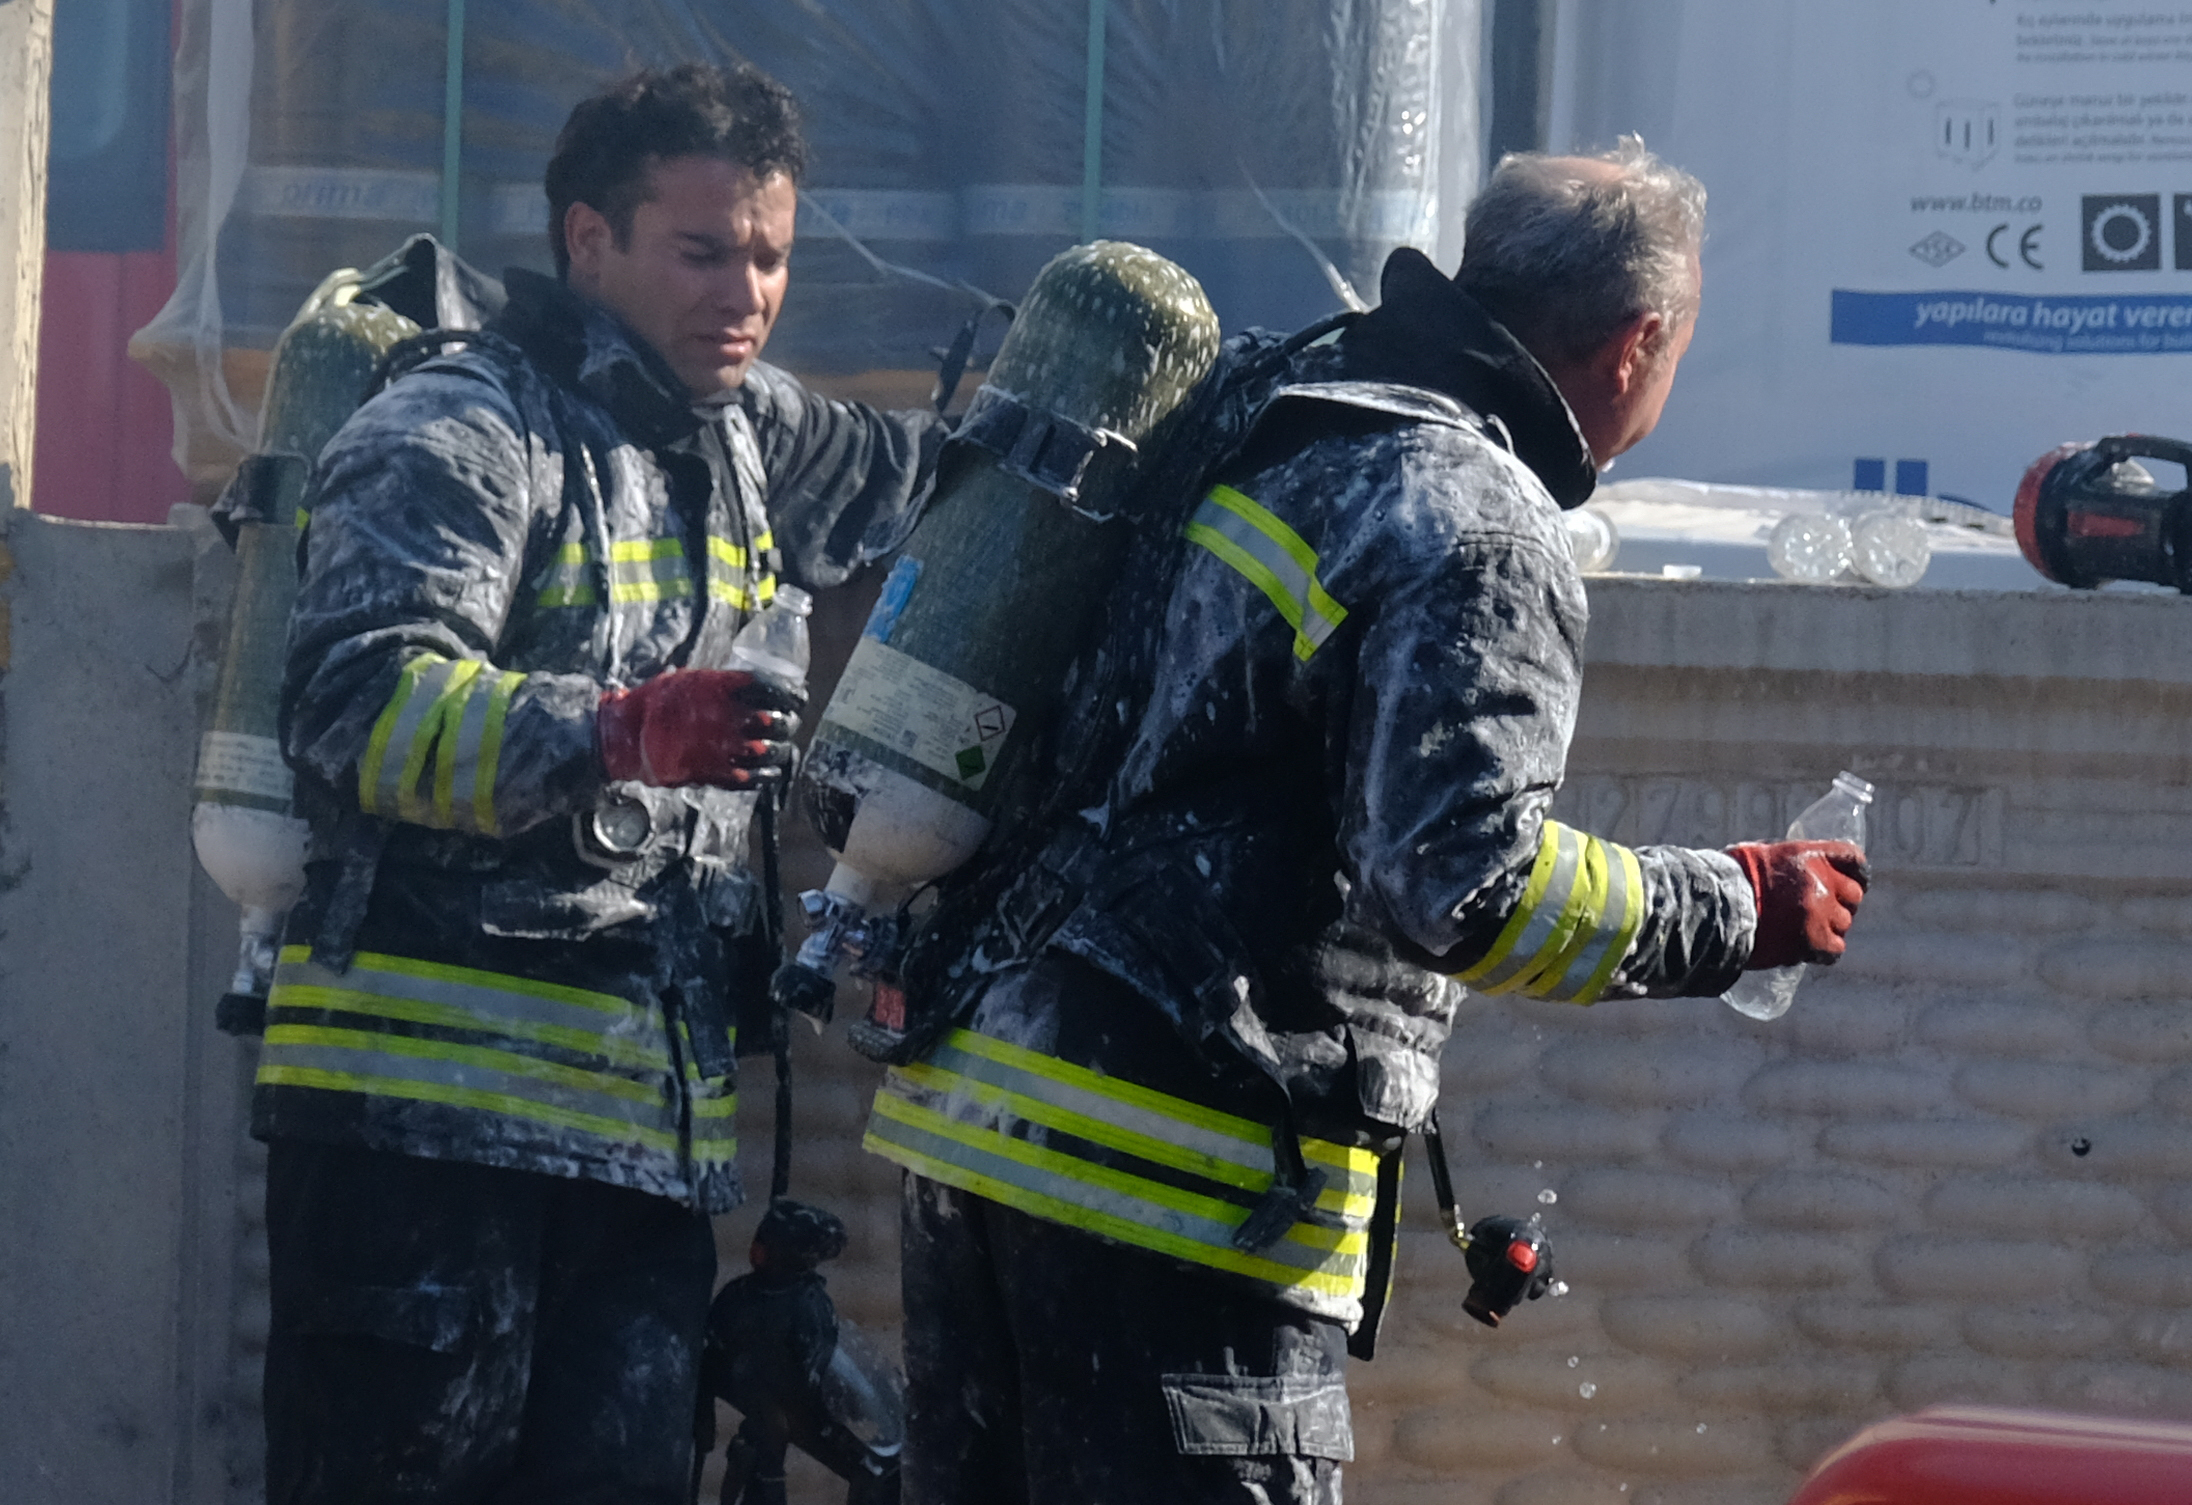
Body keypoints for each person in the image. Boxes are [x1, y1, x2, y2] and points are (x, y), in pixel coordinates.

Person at [862, 140, 1871, 1505]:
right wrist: (1737, 904)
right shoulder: (1475, 520)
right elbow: (1463, 883)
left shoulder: (1257, 398)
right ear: (1636, 347)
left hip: (971, 1128)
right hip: (1175, 1185)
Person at [256, 64, 946, 1504]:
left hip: (638, 1156)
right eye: (702, 253)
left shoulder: (750, 436)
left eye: (769, 257)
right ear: (589, 241)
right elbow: (350, 701)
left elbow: (938, 486)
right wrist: (619, 731)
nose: (744, 295)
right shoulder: (464, 430)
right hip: (421, 1144)